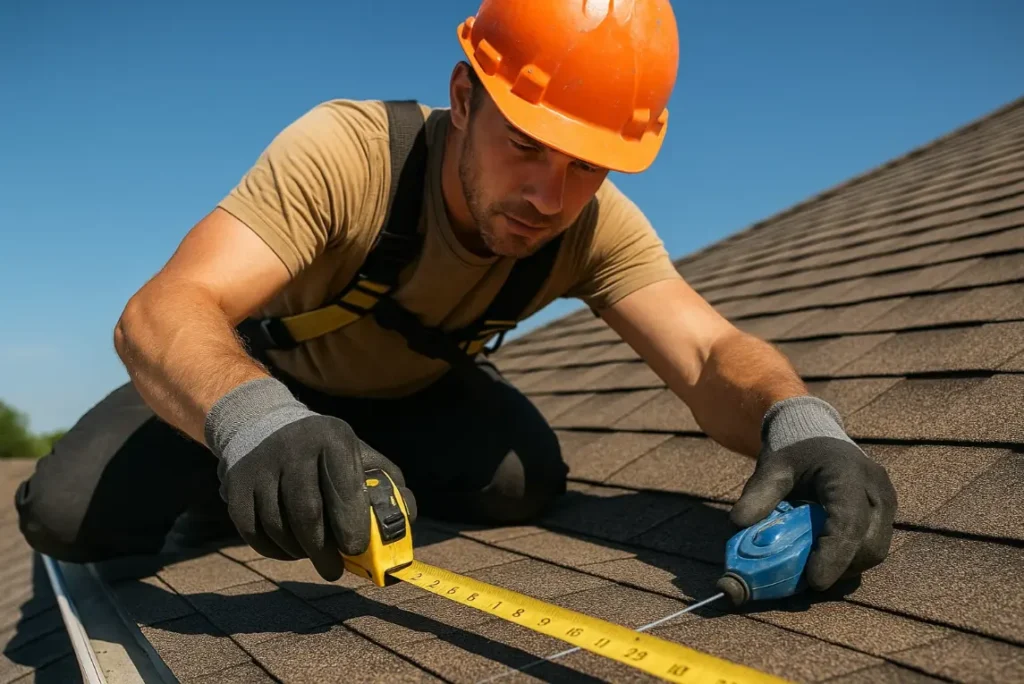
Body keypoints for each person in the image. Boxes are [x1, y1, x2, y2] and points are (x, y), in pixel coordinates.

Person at [15, 0, 896, 591]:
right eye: (527, 146)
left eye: (586, 165)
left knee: (524, 484)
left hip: (411, 400)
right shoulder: (348, 153)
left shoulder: (593, 225)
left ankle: (345, 468)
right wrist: (252, 428)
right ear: (465, 97)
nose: (548, 199)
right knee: (64, 516)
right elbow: (162, 311)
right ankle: (240, 481)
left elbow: (707, 354)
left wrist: (801, 422)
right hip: (257, 382)